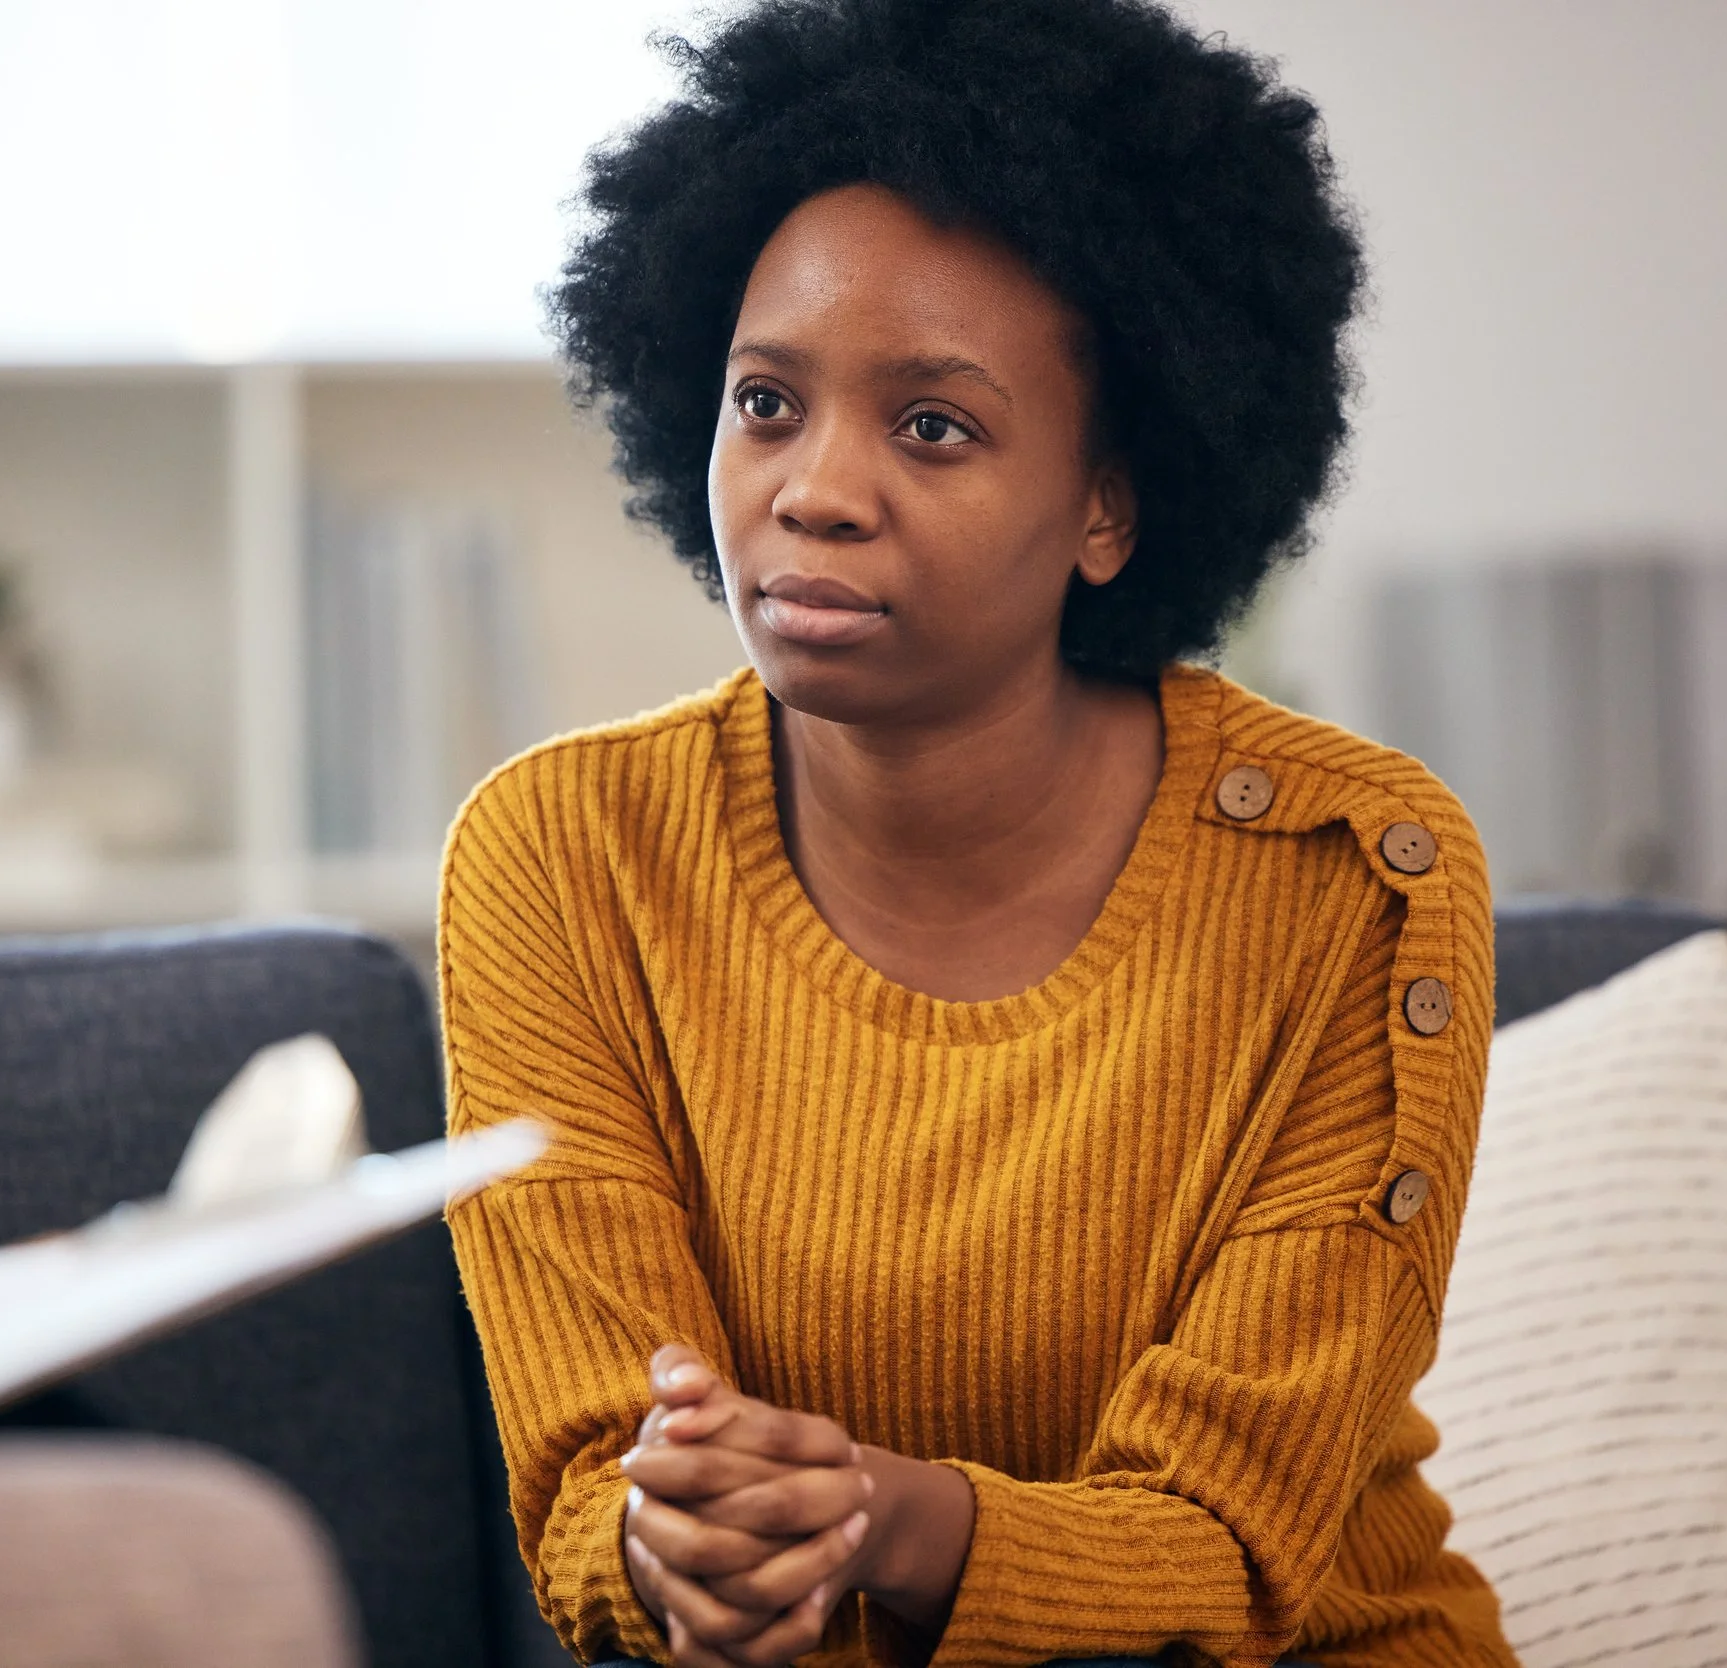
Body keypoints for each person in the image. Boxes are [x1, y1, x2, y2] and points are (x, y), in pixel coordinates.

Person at [439, 1, 1513, 1664]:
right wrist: (684, 1550)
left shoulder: (1354, 875)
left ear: (1108, 505)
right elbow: (592, 1483)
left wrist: (881, 1515)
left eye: (932, 425)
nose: (814, 490)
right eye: (767, 402)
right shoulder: (561, 855)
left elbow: (1230, 1547)